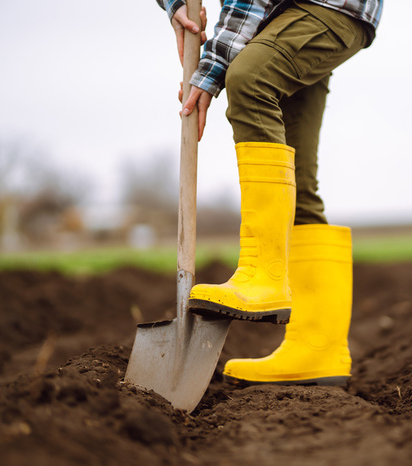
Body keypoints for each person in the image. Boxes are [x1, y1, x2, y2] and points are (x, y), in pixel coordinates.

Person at [155, 0, 383, 386]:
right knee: (299, 183)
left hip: (326, 7)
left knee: (250, 78)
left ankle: (264, 275)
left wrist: (210, 71)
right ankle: (316, 349)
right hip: (282, 14)